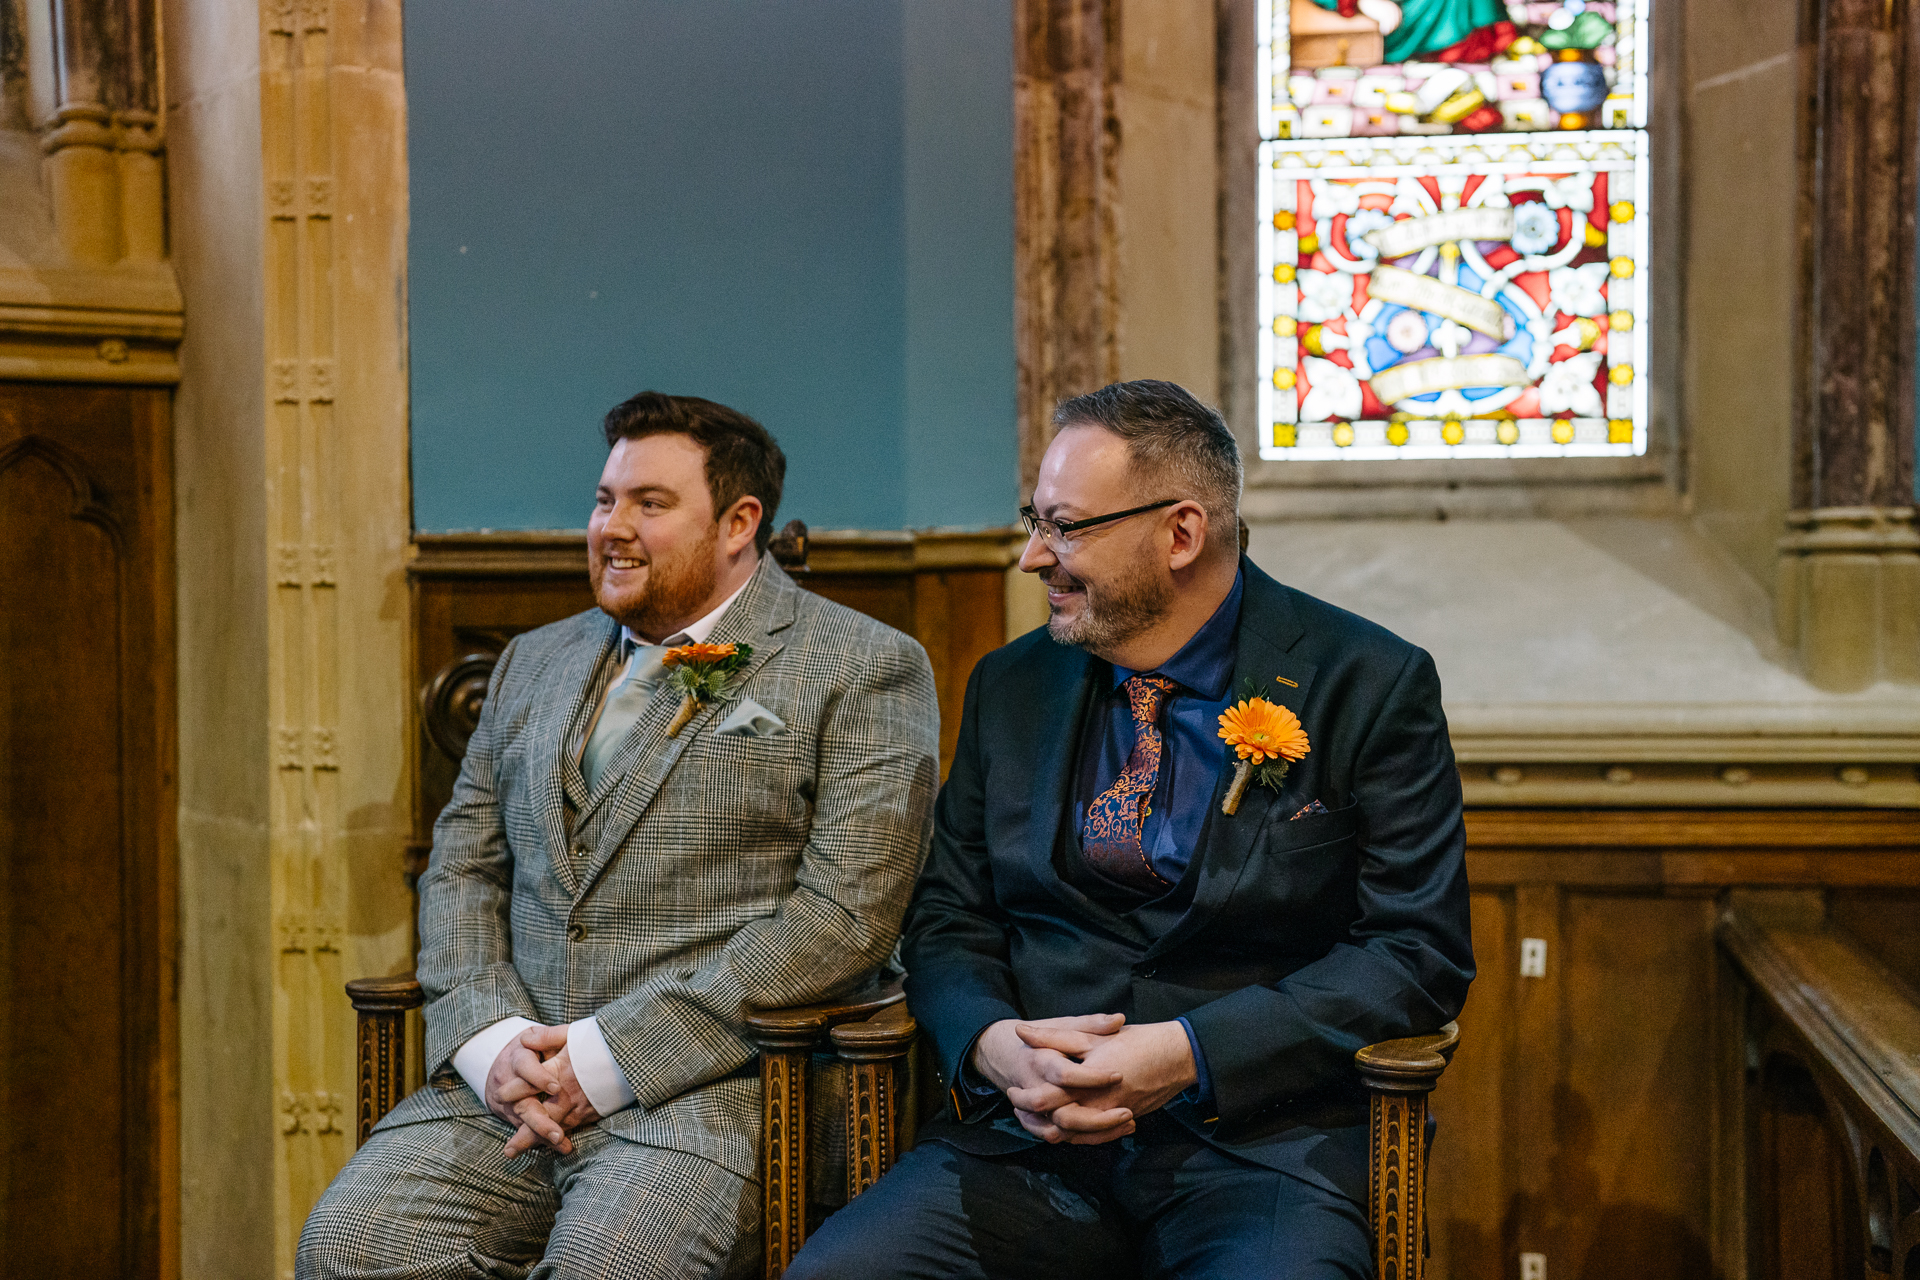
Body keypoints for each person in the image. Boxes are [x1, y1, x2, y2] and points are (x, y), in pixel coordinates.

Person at [788, 379, 1473, 1279]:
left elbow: (1415, 953)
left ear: (1181, 533)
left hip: (1259, 1152)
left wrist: (1189, 1054)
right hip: (1027, 1142)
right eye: (1033, 519)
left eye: (1066, 528)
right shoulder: (1013, 685)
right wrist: (993, 1044)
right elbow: (950, 915)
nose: (1034, 557)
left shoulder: (1367, 683)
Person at [298, 392, 940, 1279]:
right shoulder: (534, 659)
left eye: (650, 503)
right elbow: (462, 868)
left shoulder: (863, 667)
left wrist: (610, 1057)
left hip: (709, 1097)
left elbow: (844, 919)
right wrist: (490, 1042)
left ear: (738, 523)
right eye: (605, 500)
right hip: (502, 1094)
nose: (612, 527)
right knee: (346, 1248)